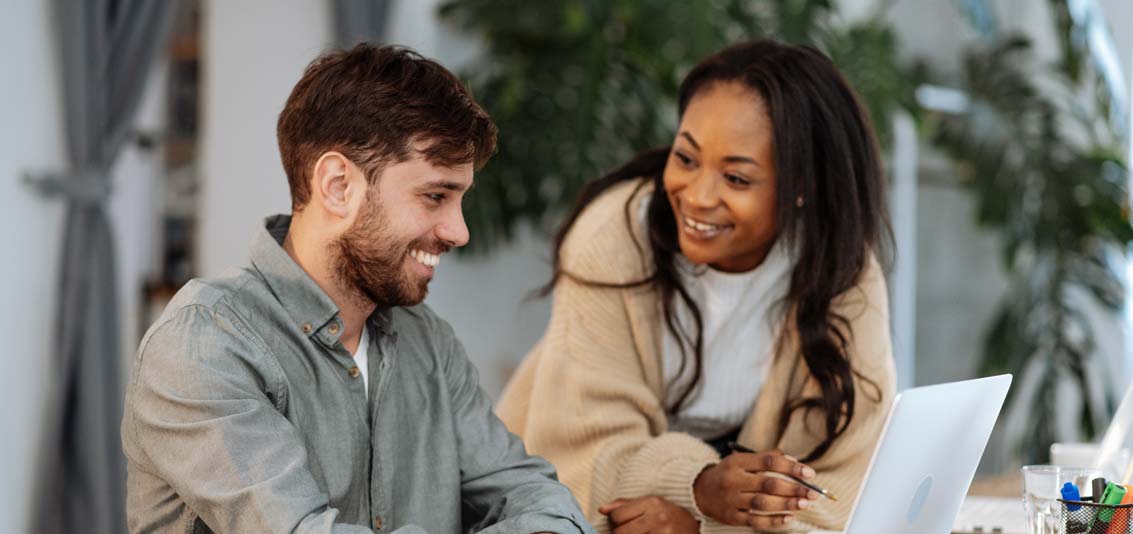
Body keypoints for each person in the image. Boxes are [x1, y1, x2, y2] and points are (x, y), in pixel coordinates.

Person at [121, 44, 592, 534]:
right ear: (338, 185)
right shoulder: (202, 344)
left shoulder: (429, 343)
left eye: (460, 199)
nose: (458, 231)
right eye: (435, 196)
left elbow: (536, 497)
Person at [496, 39, 896, 533]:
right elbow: (584, 460)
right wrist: (701, 485)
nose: (698, 197)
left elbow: (842, 494)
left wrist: (698, 525)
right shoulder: (613, 236)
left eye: (736, 178)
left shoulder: (843, 277)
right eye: (686, 159)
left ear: (801, 188)